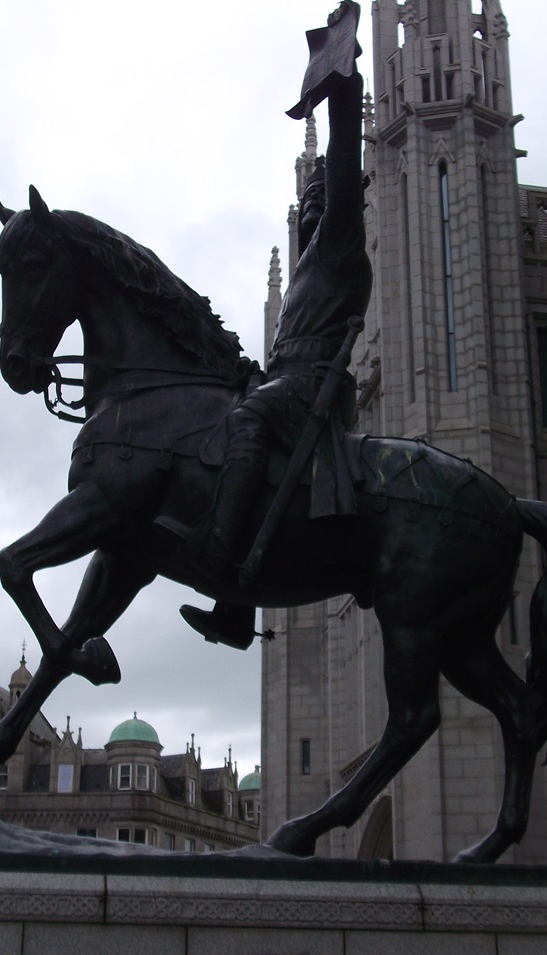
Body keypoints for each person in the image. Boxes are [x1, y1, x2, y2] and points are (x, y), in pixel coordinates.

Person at [181, 59, 372, 648]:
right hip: (288, 381)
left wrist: (344, 90)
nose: (313, 209)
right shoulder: (305, 271)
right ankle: (236, 609)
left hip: (312, 389)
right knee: (229, 411)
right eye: (306, 201)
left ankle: (218, 562)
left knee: (250, 418)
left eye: (321, 199)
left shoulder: (341, 241)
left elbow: (343, 171)